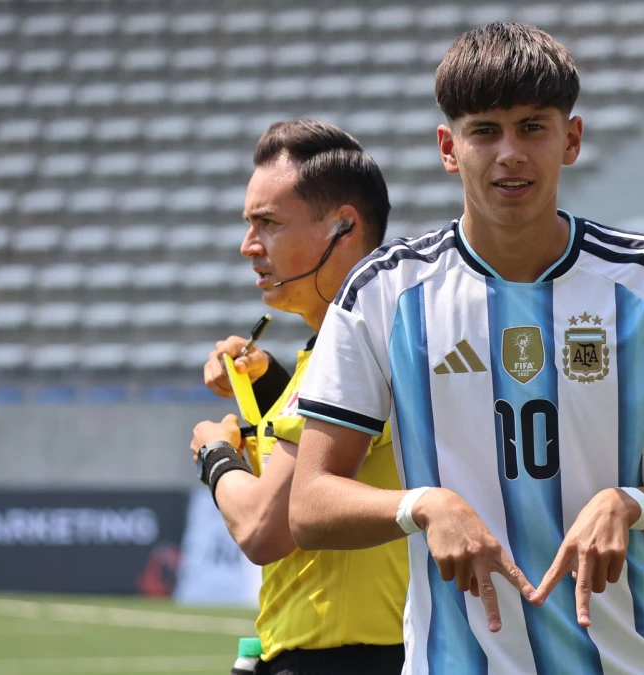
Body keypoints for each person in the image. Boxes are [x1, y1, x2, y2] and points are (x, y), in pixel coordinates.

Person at [289, 22, 644, 674]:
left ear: (572, 139)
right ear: (450, 148)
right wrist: (422, 504)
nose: (511, 152)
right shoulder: (385, 292)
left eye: (533, 127)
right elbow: (309, 502)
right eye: (485, 131)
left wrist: (632, 502)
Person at [188, 119, 407, 675]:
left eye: (269, 223)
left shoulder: (354, 345)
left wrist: (215, 455)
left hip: (344, 660)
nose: (248, 246)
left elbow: (265, 528)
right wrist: (269, 381)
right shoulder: (371, 335)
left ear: (343, 226)